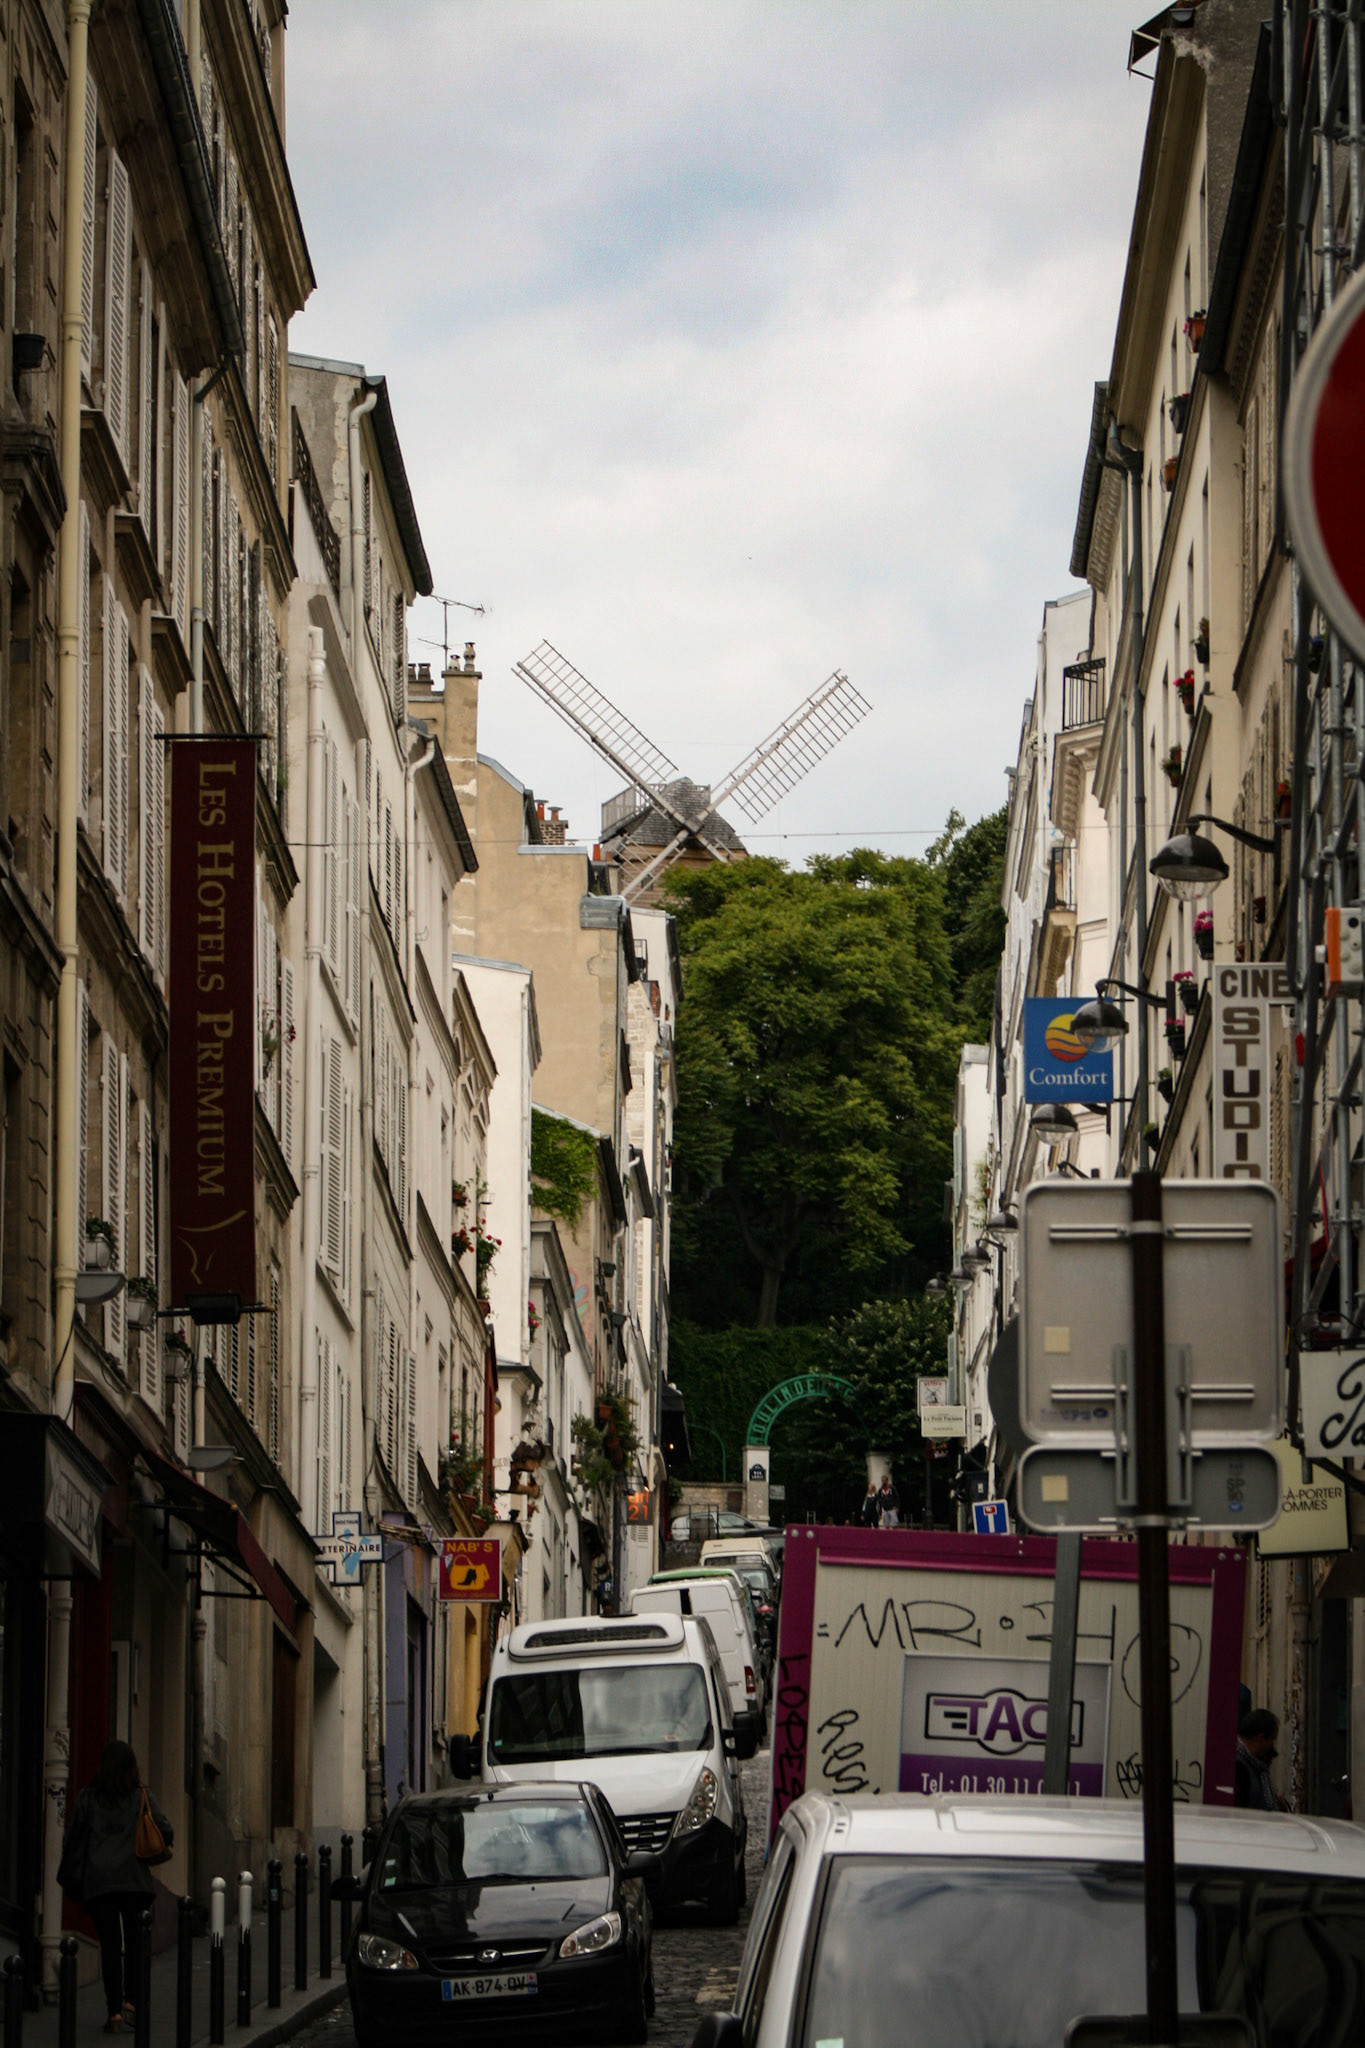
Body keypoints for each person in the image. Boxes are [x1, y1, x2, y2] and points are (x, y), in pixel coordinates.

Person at [59, 1740, 173, 2032]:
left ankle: (114, 2013)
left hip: (100, 1883)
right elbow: (165, 1828)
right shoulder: (140, 1796)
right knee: (135, 1945)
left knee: (110, 1946)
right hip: (134, 1882)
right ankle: (132, 2004)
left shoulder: (87, 1798)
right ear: (131, 1768)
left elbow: (73, 1839)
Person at [1234, 1708, 1288, 1812]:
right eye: (1272, 1740)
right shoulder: (1237, 1766)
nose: (1272, 1745)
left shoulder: (1256, 1764)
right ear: (1261, 1738)